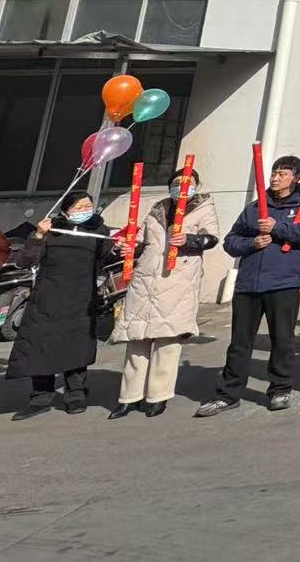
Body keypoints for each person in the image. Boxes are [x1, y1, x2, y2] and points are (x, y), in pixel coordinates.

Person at [201, 158, 300, 416]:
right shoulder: (255, 207)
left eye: (282, 173)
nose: (275, 178)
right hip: (249, 284)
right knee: (240, 343)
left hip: (283, 283)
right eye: (274, 173)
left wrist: (278, 228)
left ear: (296, 177)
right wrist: (251, 243)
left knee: (282, 339)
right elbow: (231, 241)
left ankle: (280, 389)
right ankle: (228, 394)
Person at [110, 167, 219, 419]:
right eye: (177, 182)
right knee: (137, 337)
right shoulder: (158, 208)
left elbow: (211, 238)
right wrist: (127, 248)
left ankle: (157, 396)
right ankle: (129, 396)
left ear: (197, 185)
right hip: (146, 278)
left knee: (167, 339)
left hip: (177, 279)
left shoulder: (203, 207)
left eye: (187, 182)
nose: (181, 186)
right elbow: (140, 240)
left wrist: (190, 239)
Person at [8, 194, 117, 416]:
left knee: (76, 347)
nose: (85, 210)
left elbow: (108, 260)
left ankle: (75, 394)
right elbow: (25, 261)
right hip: (47, 297)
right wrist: (38, 235)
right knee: (40, 345)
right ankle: (41, 395)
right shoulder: (51, 229)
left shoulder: (99, 231)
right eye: (79, 206)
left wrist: (122, 250)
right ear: (66, 210)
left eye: (88, 206)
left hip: (81, 298)